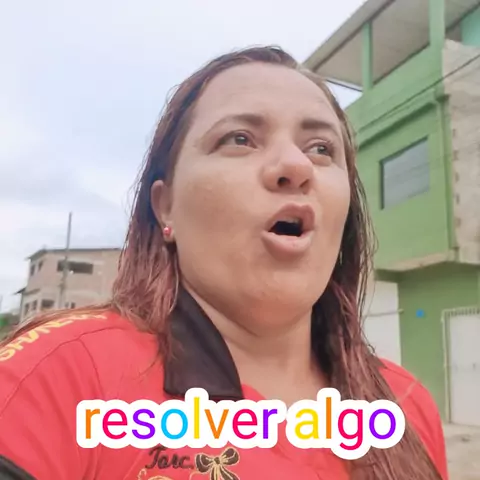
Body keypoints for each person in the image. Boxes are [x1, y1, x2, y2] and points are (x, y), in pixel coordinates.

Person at [0, 46, 447, 480]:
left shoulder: (404, 405)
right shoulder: (59, 376)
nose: (296, 165)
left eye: (321, 148)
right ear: (166, 205)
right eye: (240, 139)